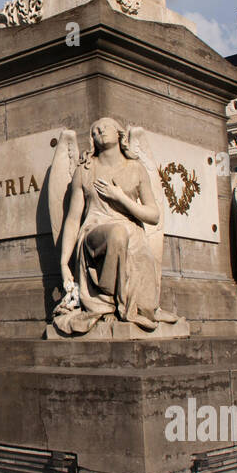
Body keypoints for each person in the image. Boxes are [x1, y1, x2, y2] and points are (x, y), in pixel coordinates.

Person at [54, 119, 178, 334]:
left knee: (137, 246)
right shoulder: (85, 170)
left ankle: (147, 308)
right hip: (96, 229)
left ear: (119, 133)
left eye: (105, 126)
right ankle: (106, 303)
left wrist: (121, 198)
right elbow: (73, 219)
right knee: (117, 234)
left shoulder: (136, 169)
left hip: (132, 231)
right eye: (95, 130)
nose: (100, 130)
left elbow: (153, 215)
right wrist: (64, 262)